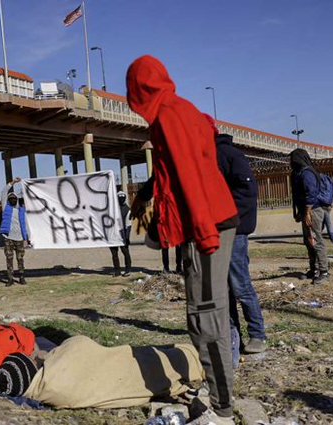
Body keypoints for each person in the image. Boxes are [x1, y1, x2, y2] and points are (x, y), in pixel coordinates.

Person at [127, 55, 238, 424]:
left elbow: (190, 176)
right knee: (205, 312)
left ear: (140, 89)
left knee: (206, 315)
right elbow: (173, 173)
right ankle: (219, 388)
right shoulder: (178, 110)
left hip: (206, 224)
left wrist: (204, 233)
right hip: (206, 220)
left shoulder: (169, 116)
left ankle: (222, 404)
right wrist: (147, 196)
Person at [212, 123, 267, 359]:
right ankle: (234, 337)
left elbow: (246, 192)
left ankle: (258, 335)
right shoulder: (213, 156)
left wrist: (223, 215)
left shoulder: (229, 155)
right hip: (221, 230)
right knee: (225, 289)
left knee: (240, 284)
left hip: (234, 231)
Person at [289, 148, 330, 284]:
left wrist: (307, 212)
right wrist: (298, 212)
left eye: (293, 159)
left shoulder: (307, 173)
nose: (291, 162)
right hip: (305, 211)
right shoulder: (298, 173)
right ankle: (314, 269)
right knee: (308, 241)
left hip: (313, 211)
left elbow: (310, 194)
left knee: (316, 240)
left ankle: (324, 271)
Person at [0, 179, 29, 286]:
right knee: (9, 258)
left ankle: (21, 276)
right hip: (8, 237)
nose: (12, 200)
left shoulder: (21, 211)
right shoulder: (5, 208)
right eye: (10, 198)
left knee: (20, 258)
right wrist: (12, 183)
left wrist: (27, 238)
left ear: (16, 200)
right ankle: (10, 278)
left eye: (14, 198)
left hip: (20, 238)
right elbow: (3, 192)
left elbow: (26, 225)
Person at [110, 191, 132, 277]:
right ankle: (117, 270)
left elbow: (128, 224)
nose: (121, 199)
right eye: (119, 198)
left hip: (122, 235)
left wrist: (126, 237)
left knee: (125, 252)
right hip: (113, 234)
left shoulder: (127, 210)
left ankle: (128, 269)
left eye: (122, 197)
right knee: (114, 253)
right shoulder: (112, 209)